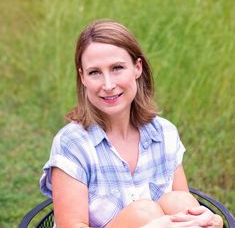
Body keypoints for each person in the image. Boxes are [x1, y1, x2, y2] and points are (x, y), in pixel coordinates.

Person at [40, 19, 223, 228]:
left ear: (137, 68)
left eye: (117, 68)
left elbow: (186, 209)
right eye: (95, 72)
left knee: (179, 201)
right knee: (143, 213)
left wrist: (213, 220)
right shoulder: (72, 143)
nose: (108, 85)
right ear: (82, 77)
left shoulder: (164, 133)